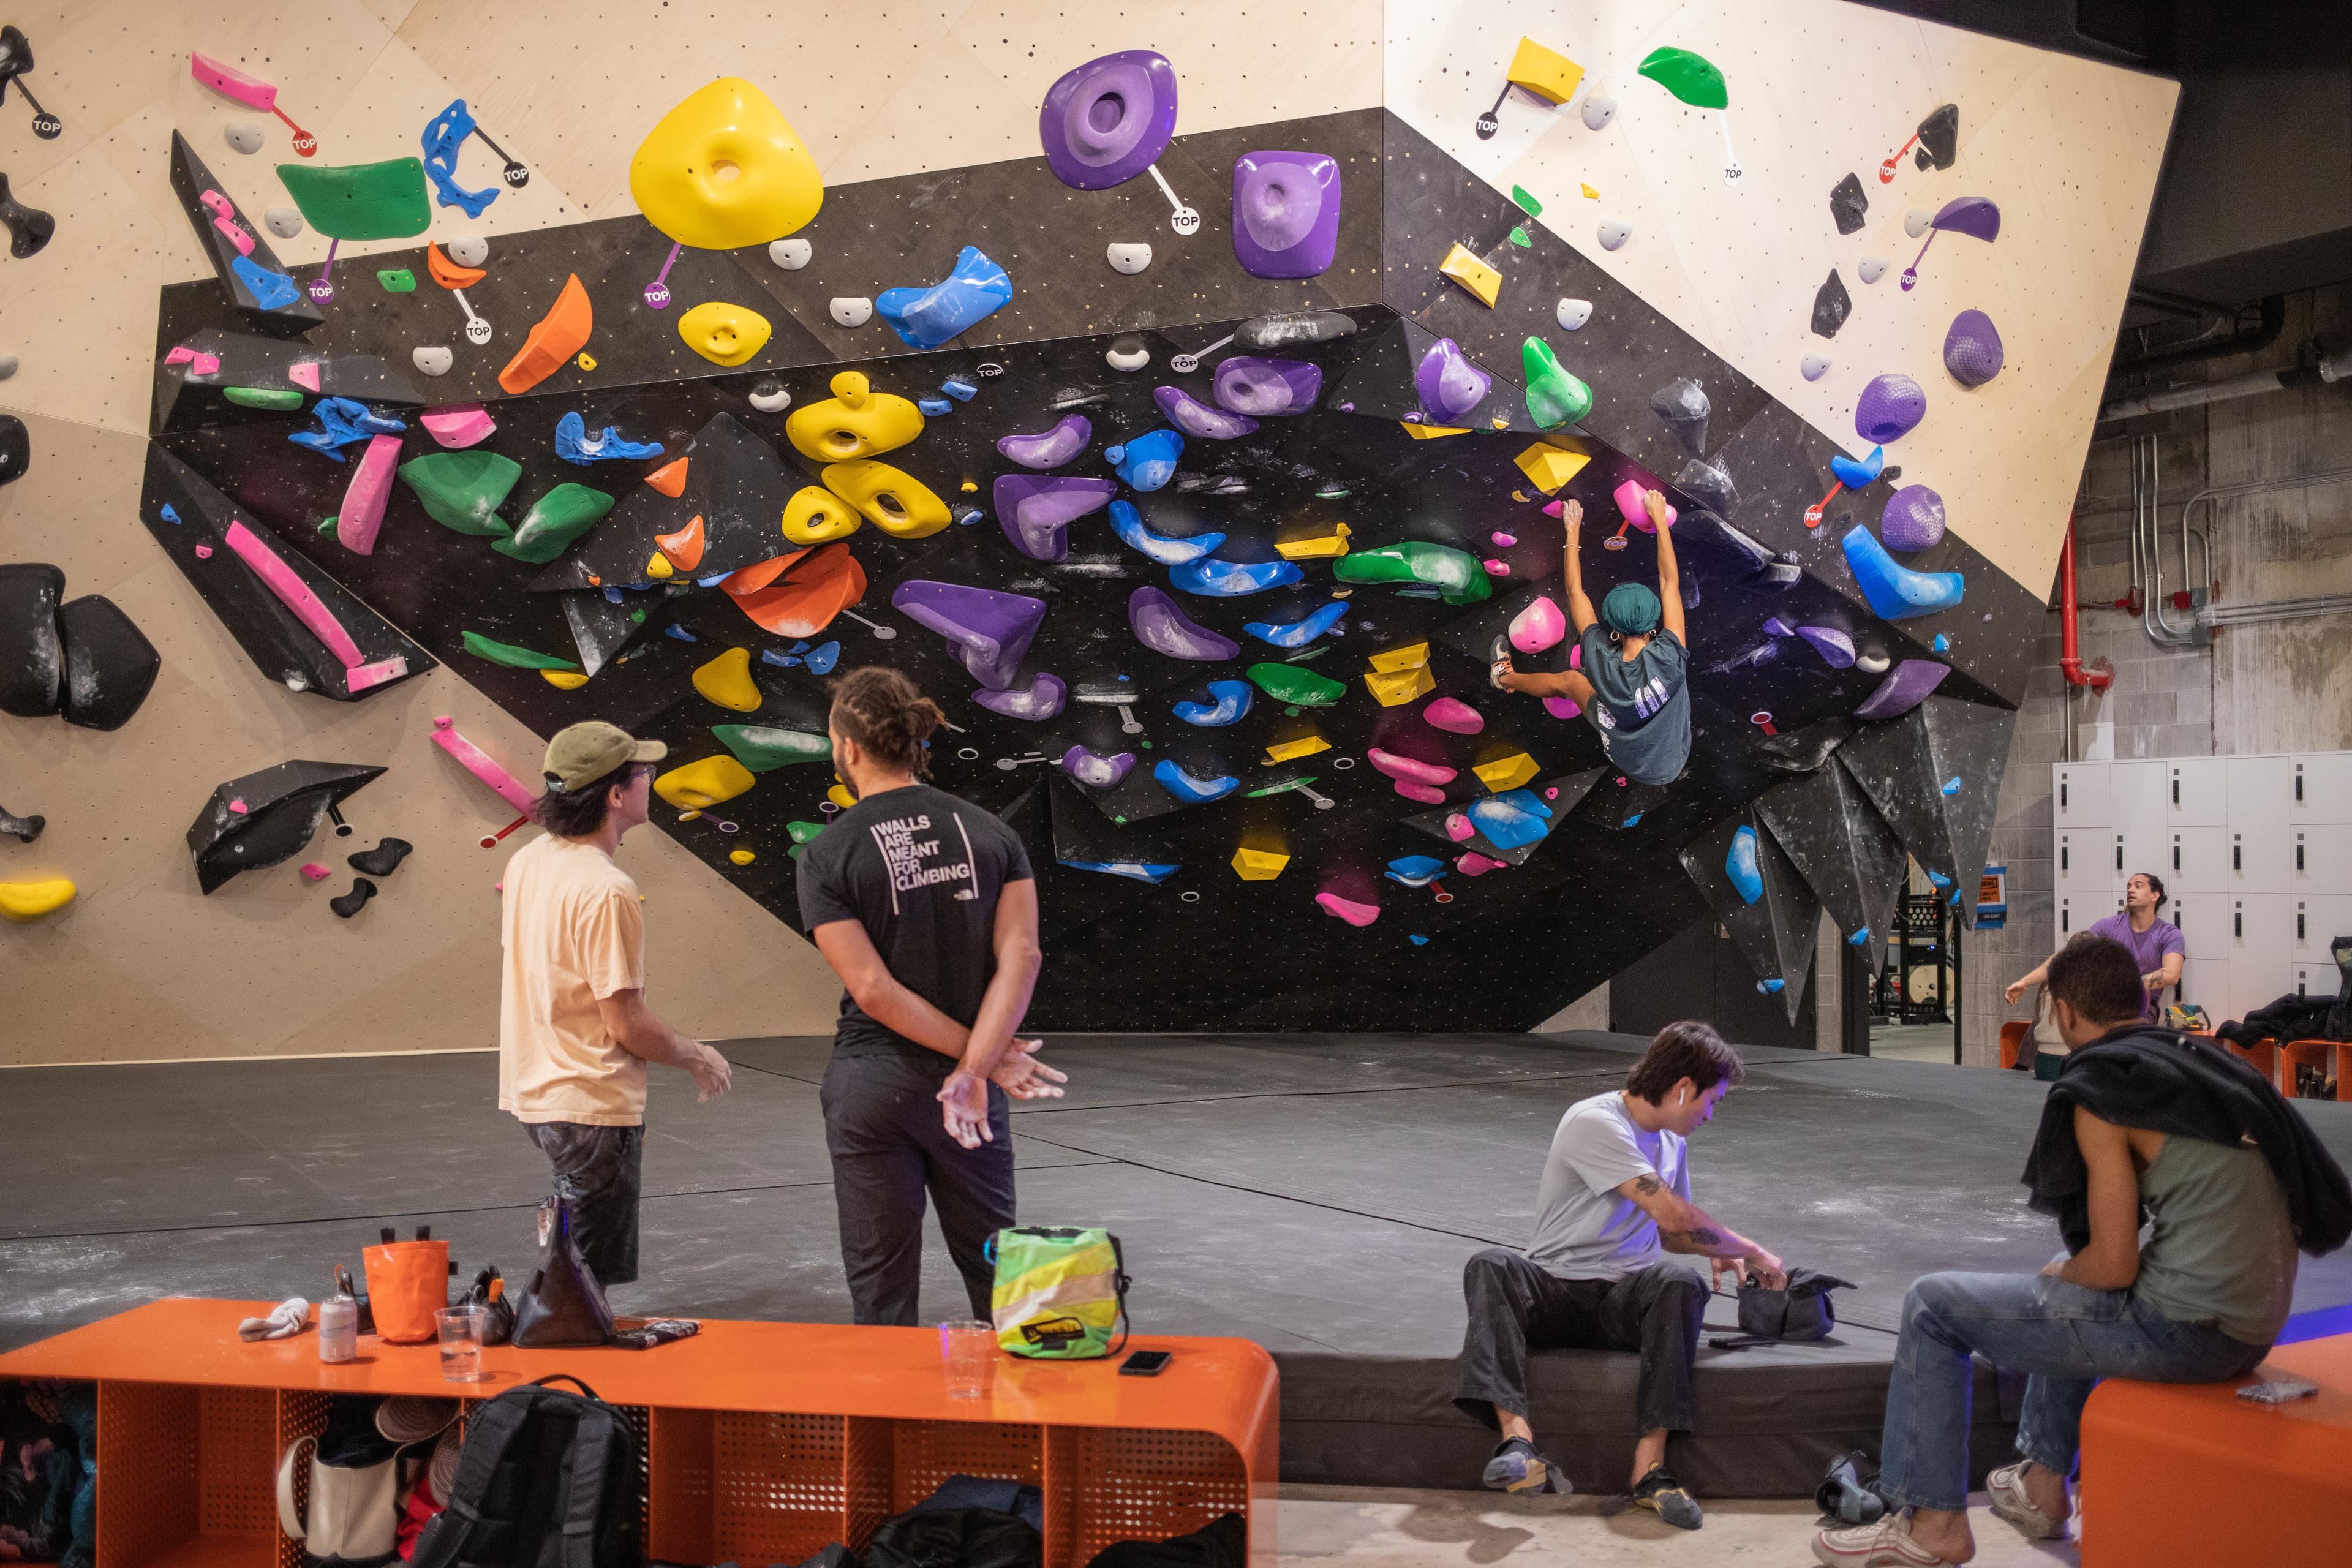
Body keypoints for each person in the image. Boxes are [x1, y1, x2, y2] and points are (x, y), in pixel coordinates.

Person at [1812, 932, 2350, 1567]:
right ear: (2138, 1001)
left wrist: (2069, 1269)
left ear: (2065, 1012)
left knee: (1934, 1305)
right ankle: (2044, 1483)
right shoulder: (2208, 1064)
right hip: (2255, 1328)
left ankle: (1933, 1525)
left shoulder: (2106, 1087)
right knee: (2070, 1288)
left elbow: (2114, 1263)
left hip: (2189, 1334)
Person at [797, 667, 1065, 1326]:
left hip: (874, 1085)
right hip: (968, 1090)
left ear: (849, 747)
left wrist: (980, 1063)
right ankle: (1020, 1393)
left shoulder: (826, 853)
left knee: (881, 1288)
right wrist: (978, 1067)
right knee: (1001, 1275)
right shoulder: (992, 833)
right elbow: (1023, 956)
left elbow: (871, 988)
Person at [1454, 1022, 1787, 1531]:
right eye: (1712, 1101)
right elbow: (1674, 1215)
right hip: (1555, 1292)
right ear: (1683, 1088)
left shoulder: (1672, 1142)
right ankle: (1518, 1443)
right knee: (1490, 1266)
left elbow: (1672, 1232)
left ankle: (1650, 1470)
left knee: (1680, 1282)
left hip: (1621, 1302)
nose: (1710, 1114)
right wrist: (1753, 1250)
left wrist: (1716, 1252)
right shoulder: (1594, 1121)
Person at [499, 721, 735, 1287]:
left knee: (572, 1270)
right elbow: (626, 1023)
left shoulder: (530, 859)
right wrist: (696, 1056)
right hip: (588, 1101)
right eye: (643, 773)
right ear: (615, 795)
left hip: (540, 1093)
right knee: (581, 1288)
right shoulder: (607, 890)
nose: (651, 780)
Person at [1490, 491, 1691, 786]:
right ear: (1653, 623)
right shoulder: (1671, 654)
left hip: (1630, 751)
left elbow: (1575, 592)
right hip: (1673, 757)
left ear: (1613, 630)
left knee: (1571, 681)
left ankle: (1502, 678)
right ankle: (1504, 679)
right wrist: (1660, 518)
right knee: (1582, 682)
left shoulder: (1600, 655)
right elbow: (1669, 582)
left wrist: (1572, 530)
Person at [2004, 872, 2182, 1042]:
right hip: (2102, 1000)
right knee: (2050, 1020)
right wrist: (2026, 982)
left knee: (2119, 1031)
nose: (2130, 890)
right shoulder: (2109, 926)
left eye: (2138, 886)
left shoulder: (2169, 934)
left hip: (2139, 1005)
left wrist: (2123, 987)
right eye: (2129, 886)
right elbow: (2067, 958)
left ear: (2155, 895)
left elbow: (2171, 974)